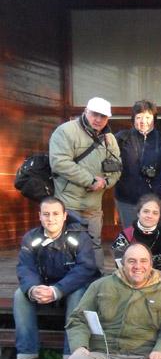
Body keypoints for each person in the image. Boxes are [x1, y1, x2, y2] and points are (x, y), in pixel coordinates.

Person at [10, 197, 99, 359]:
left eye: (56, 214)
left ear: (64, 216)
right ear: (40, 216)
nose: (51, 218)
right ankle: (27, 355)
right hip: (43, 288)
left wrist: (58, 290)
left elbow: (85, 269)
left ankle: (71, 356)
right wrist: (33, 288)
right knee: (20, 295)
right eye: (46, 214)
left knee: (78, 294)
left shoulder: (80, 237)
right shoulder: (31, 238)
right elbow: (25, 267)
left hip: (71, 288)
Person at [49, 96, 122, 269]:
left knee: (94, 244)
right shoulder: (65, 131)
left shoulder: (109, 139)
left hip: (93, 205)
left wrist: (105, 183)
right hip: (68, 203)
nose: (98, 119)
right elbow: (59, 162)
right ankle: (66, 281)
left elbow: (117, 168)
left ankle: (97, 280)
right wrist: (90, 180)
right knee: (66, 244)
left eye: (103, 116)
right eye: (94, 114)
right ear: (85, 112)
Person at [114, 100, 161, 228]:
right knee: (130, 234)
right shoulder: (122, 138)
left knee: (152, 236)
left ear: (154, 119)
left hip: (154, 201)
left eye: (147, 117)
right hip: (127, 200)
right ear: (133, 119)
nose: (143, 121)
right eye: (139, 117)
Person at [111, 194, 161, 275]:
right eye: (146, 211)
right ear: (138, 213)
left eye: (155, 213)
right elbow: (120, 265)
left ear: (159, 216)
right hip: (131, 278)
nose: (150, 216)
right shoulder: (124, 236)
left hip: (159, 280)